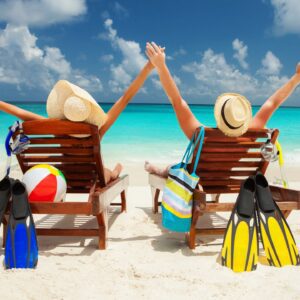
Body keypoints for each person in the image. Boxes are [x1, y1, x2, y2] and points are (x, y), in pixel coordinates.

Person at [144, 41, 300, 177]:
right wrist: (296, 78)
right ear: (242, 119)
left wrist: (161, 65)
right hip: (225, 177)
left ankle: (156, 170)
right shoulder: (251, 133)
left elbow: (176, 101)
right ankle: (157, 169)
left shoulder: (202, 135)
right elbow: (272, 103)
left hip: (198, 179)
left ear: (220, 115)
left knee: (171, 169)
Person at [0, 61, 155, 183]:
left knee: (104, 170)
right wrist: (148, 67)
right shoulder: (96, 130)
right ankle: (115, 172)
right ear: (88, 112)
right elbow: (125, 98)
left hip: (65, 177)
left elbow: (20, 112)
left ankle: (114, 171)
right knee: (108, 172)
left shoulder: (55, 127)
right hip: (94, 178)